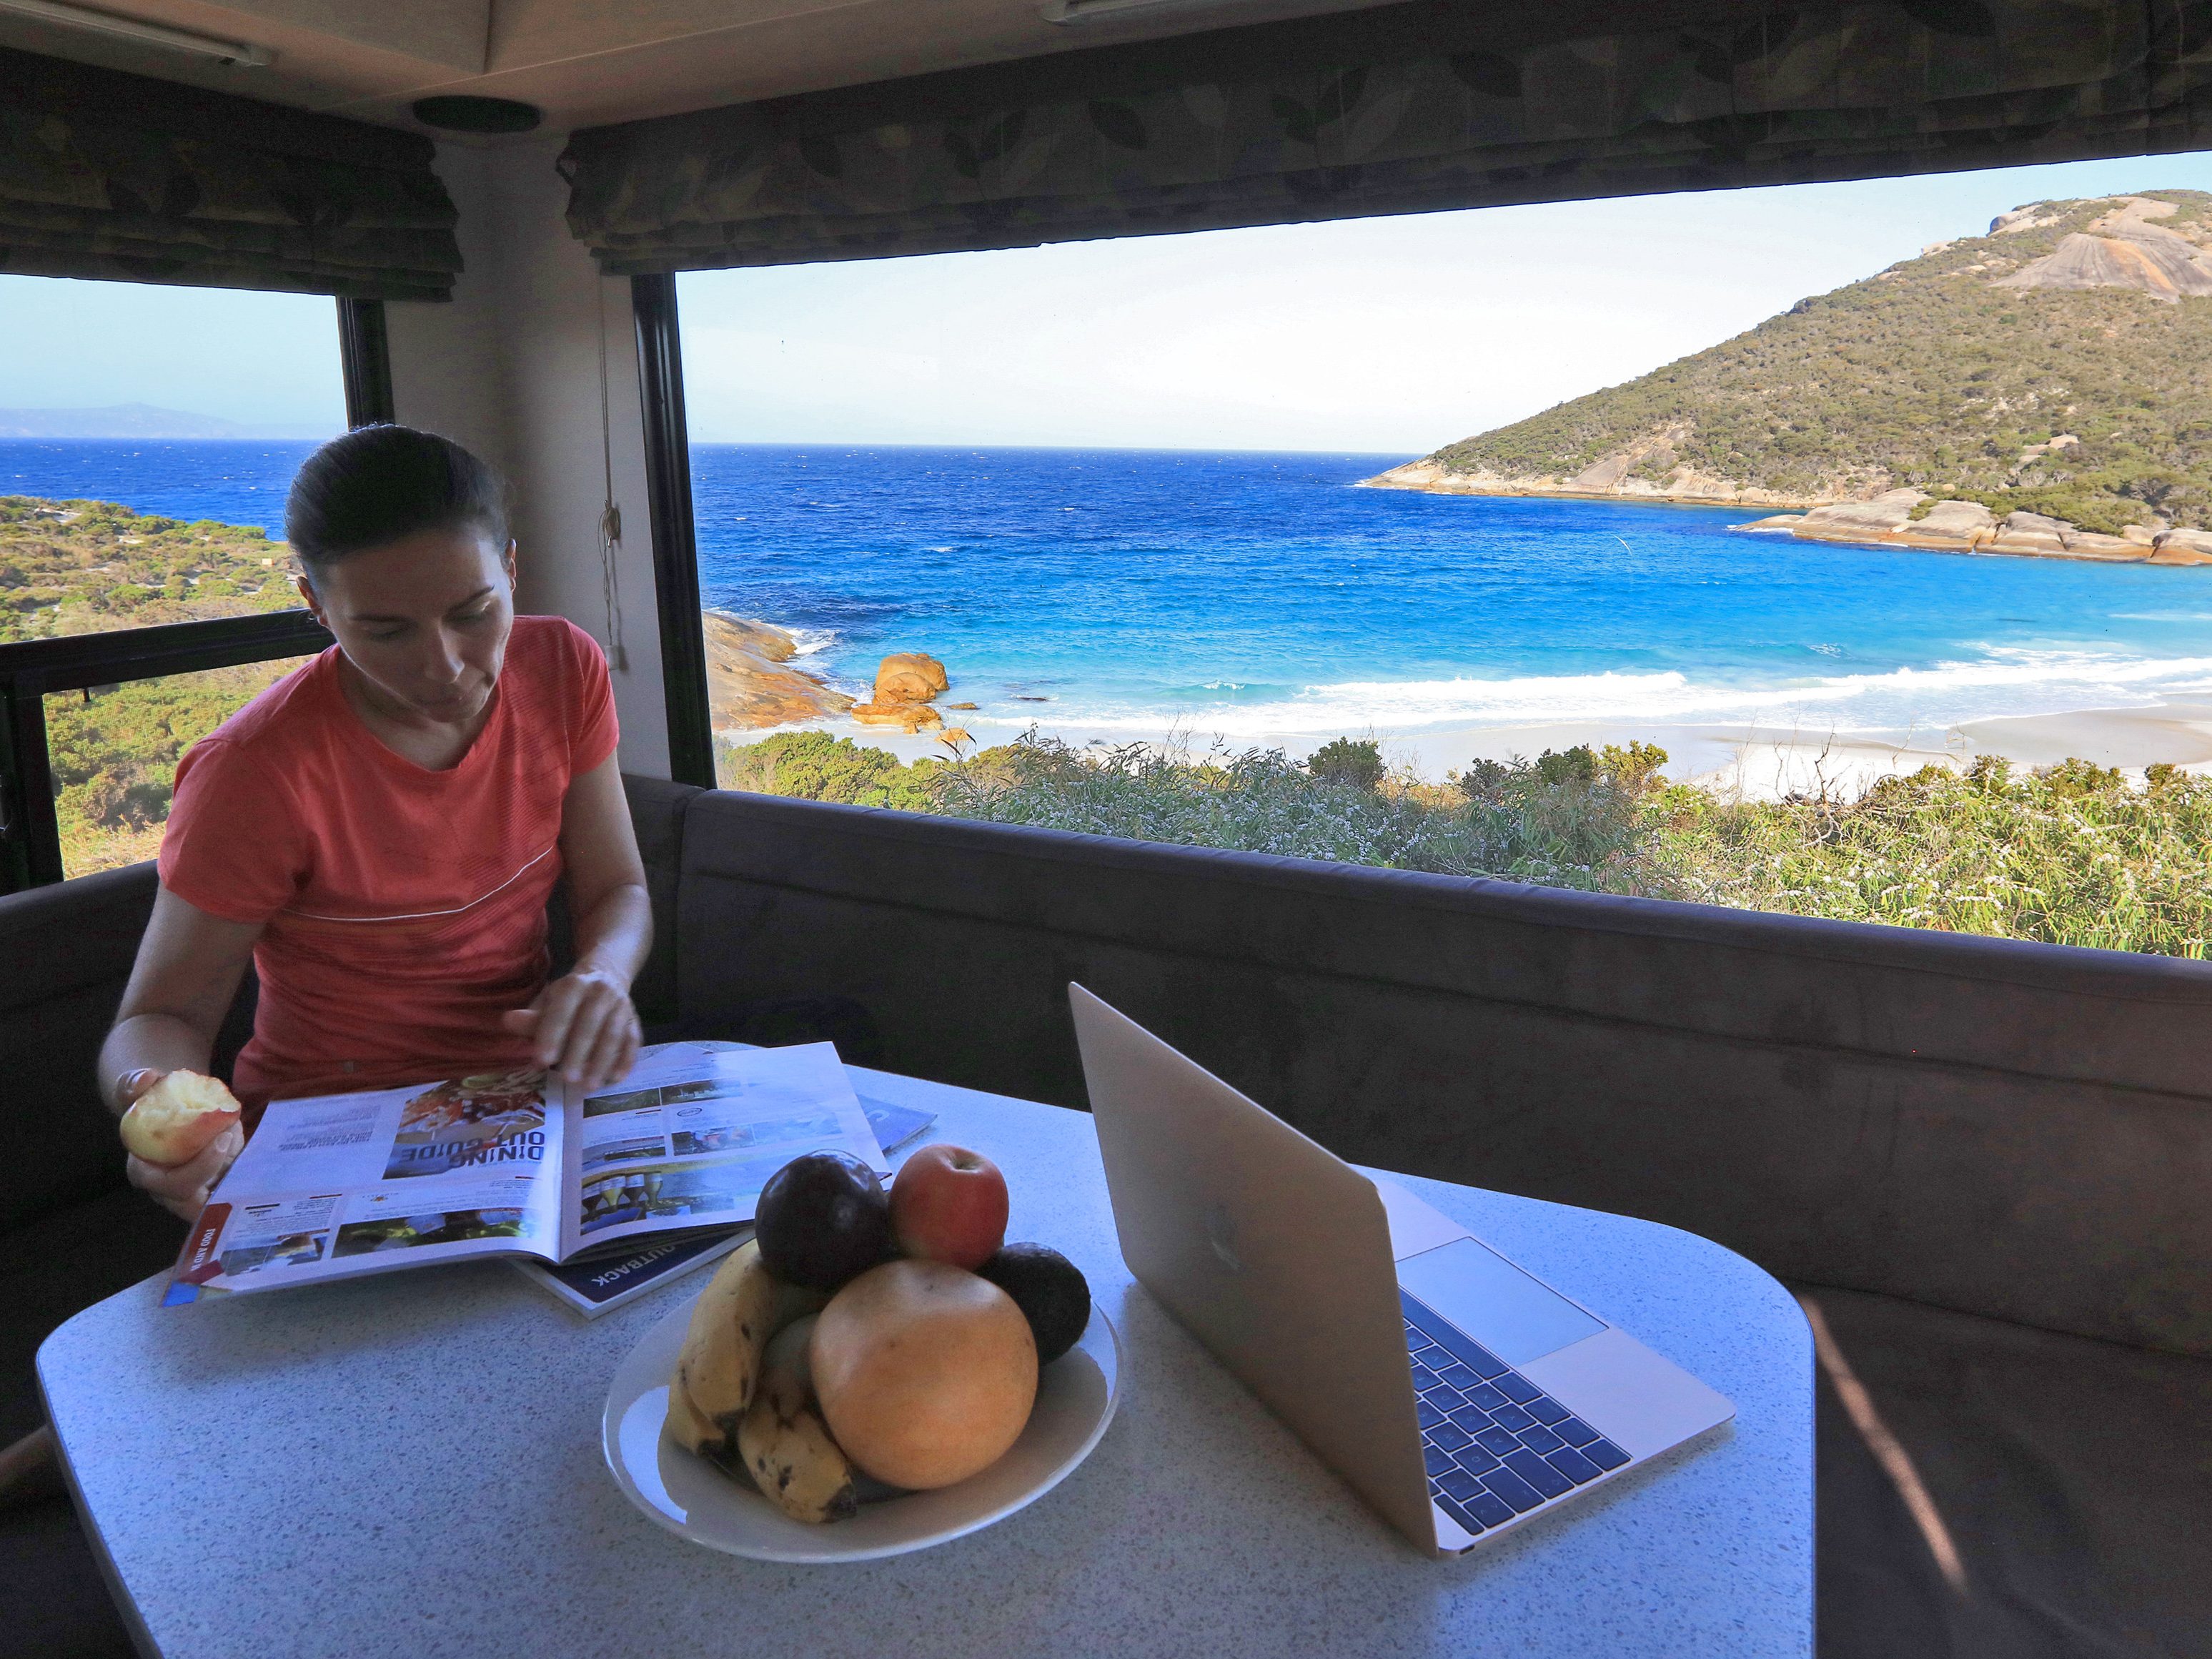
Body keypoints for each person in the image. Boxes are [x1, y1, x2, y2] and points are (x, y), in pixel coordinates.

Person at [96, 424, 653, 1222]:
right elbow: (158, 1017)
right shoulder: (254, 771)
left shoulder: (563, 668)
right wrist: (157, 1101)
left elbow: (618, 887)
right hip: (329, 1135)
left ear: (513, 569)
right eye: (385, 630)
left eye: (473, 611)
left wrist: (602, 975)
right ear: (315, 606)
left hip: (526, 1104)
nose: (444, 665)